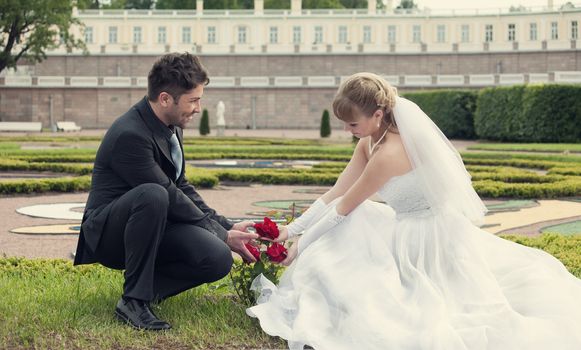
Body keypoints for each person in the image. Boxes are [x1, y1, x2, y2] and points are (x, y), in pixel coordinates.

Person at [246, 72, 581, 349]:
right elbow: (337, 192)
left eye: (352, 124)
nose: (347, 131)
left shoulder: (390, 153)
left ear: (377, 115)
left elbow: (344, 208)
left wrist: (300, 248)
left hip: (429, 237)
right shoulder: (369, 141)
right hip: (403, 223)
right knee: (358, 222)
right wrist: (291, 231)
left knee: (358, 228)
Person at [74, 52, 259, 331]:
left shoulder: (170, 124)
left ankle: (146, 290)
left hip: (153, 222)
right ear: (165, 99)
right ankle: (133, 302)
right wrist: (222, 233)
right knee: (153, 194)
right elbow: (166, 192)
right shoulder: (130, 134)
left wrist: (226, 228)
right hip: (110, 234)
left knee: (218, 258)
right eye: (193, 100)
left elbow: (180, 186)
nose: (198, 108)